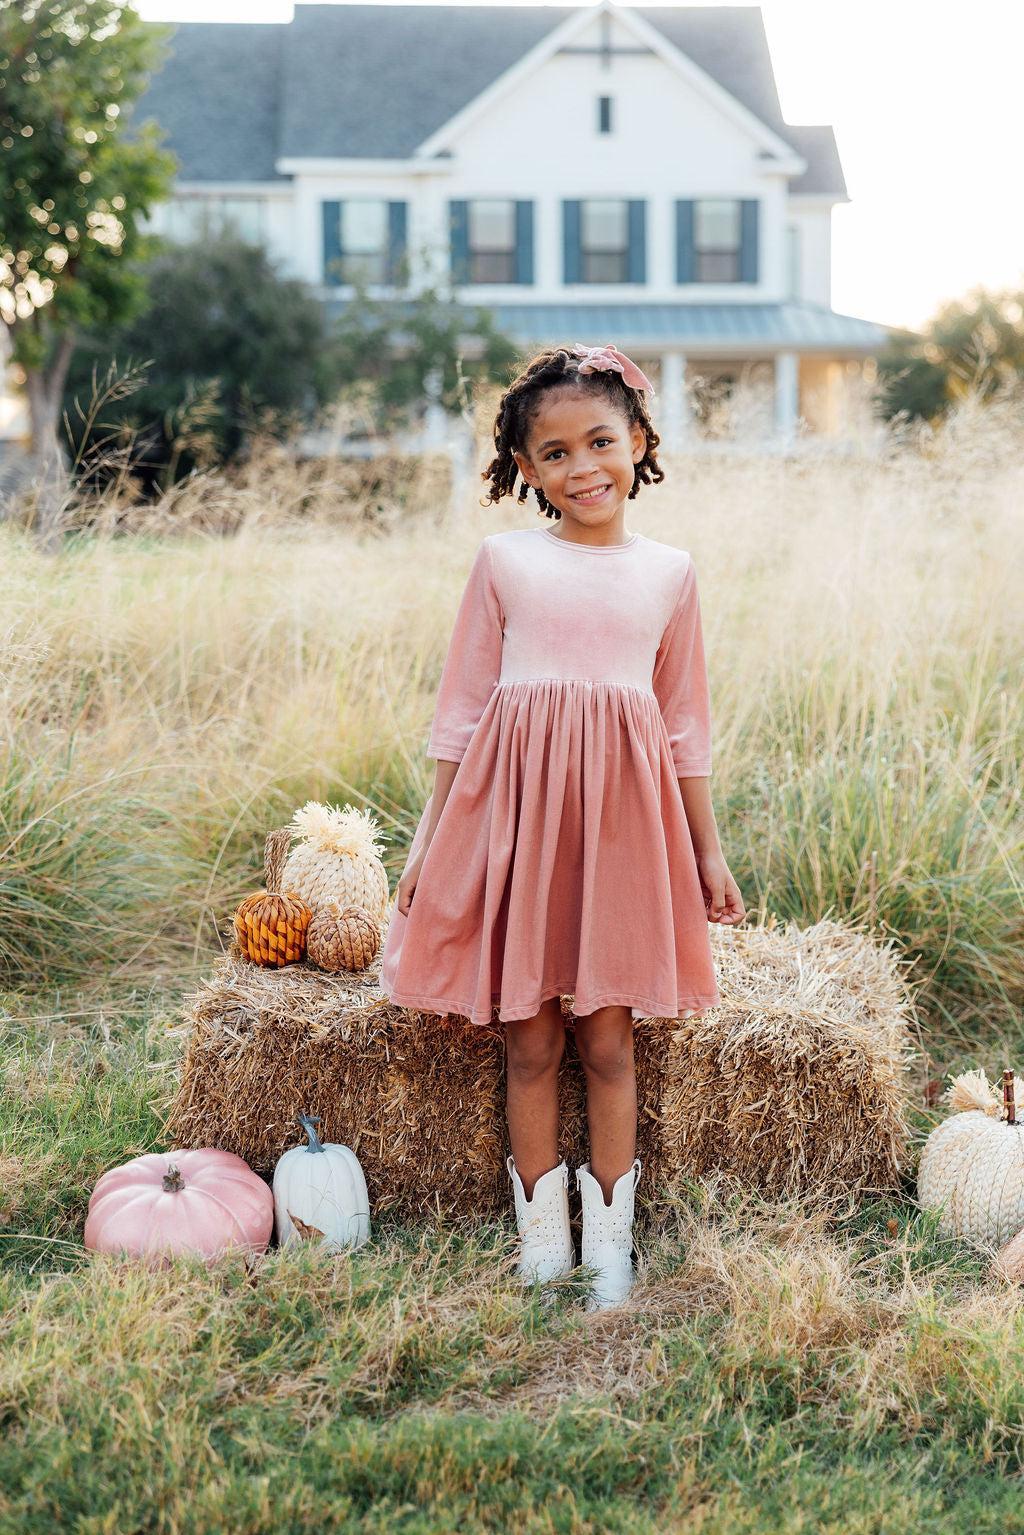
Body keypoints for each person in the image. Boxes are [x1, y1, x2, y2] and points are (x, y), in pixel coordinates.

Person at [379, 342, 746, 1311]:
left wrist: (706, 850)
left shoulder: (669, 572)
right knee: (532, 1043)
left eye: (600, 441)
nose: (583, 467)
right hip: (515, 822)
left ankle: (610, 1242)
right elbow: (461, 711)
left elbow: (685, 724)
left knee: (609, 1041)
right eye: (555, 452)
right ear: (526, 468)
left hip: (622, 829)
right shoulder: (506, 562)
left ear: (639, 442)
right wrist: (426, 842)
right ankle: (543, 1238)